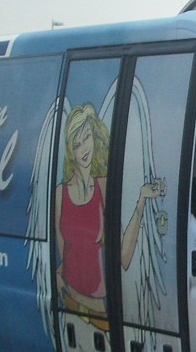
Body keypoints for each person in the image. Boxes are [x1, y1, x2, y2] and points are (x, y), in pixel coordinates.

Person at [54, 103, 165, 331]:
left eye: (87, 138)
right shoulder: (60, 193)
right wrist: (58, 280)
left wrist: (141, 202)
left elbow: (123, 257)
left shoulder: (104, 188)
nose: (84, 148)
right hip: (68, 303)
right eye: (77, 144)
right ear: (70, 151)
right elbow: (62, 251)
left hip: (98, 312)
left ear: (95, 138)